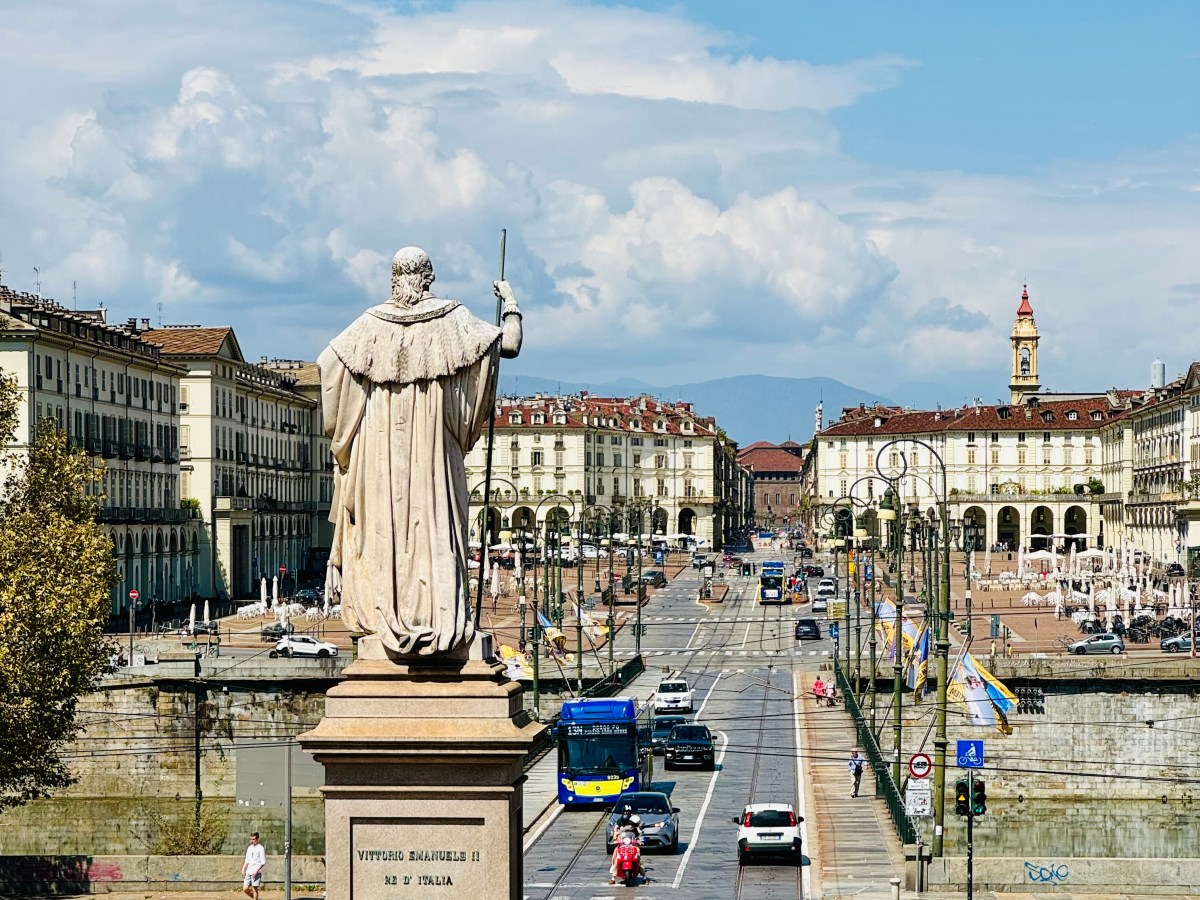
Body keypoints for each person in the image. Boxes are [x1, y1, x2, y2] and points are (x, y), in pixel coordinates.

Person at [319, 247, 523, 657]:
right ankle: (438, 614)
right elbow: (510, 345)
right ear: (428, 277)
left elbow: (328, 366)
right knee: (435, 526)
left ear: (394, 278)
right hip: (434, 452)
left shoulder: (368, 326)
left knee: (386, 531)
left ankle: (388, 613)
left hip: (381, 452)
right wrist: (512, 304)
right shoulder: (453, 319)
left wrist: (352, 429)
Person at [241, 832, 265, 898]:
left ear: (257, 839)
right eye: (251, 839)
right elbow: (247, 860)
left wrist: (256, 871)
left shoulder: (260, 848)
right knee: (245, 888)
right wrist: (243, 868)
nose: (252, 841)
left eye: (253, 839)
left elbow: (263, 862)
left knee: (254, 889)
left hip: (256, 871)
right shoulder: (249, 848)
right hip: (249, 871)